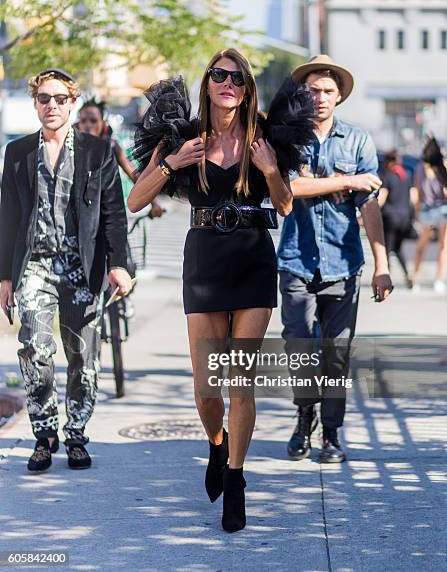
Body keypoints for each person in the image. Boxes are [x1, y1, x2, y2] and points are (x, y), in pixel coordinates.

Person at [127, 49, 314, 532]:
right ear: (208, 84)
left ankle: (235, 479)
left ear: (247, 88)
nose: (227, 82)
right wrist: (173, 162)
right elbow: (135, 199)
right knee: (207, 387)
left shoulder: (266, 135)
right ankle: (216, 444)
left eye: (237, 77)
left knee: (239, 382)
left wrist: (271, 170)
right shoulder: (183, 137)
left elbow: (287, 206)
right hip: (205, 261)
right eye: (219, 75)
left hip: (253, 259)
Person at [0, 68, 132, 472]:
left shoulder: (96, 151)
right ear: (35, 103)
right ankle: (45, 433)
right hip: (36, 265)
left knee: (82, 354)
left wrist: (120, 265)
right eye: (44, 98)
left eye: (59, 99)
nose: (51, 105)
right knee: (36, 349)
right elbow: (7, 215)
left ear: (72, 104)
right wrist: (5, 276)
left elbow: (113, 213)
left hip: (82, 266)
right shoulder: (18, 151)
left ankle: (76, 434)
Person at [276, 54, 393, 464]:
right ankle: (303, 414)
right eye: (312, 91)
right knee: (300, 349)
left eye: (327, 90)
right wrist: (346, 180)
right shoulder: (287, 139)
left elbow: (370, 205)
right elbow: (287, 191)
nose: (320, 97)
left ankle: (330, 433)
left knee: (336, 354)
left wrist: (382, 265)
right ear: (302, 95)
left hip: (344, 265)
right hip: (295, 261)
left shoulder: (359, 141)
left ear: (339, 95)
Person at [411, 136, 447, 293]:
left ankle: (415, 279)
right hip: (442, 208)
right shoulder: (443, 166)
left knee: (422, 246)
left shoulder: (420, 168)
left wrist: (417, 213)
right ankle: (438, 280)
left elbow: (418, 192)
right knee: (443, 247)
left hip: (427, 209)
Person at [378, 151, 413, 288]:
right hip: (404, 218)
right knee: (398, 248)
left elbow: (382, 198)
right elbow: (413, 197)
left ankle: (385, 278)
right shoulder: (406, 175)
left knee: (386, 248)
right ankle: (407, 274)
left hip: (390, 218)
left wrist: (368, 211)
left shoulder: (387, 175)